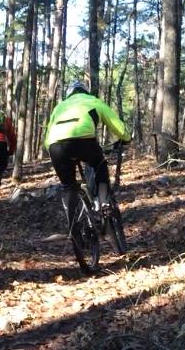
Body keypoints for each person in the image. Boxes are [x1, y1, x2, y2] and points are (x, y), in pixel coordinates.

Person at [43, 80, 132, 240]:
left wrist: (52, 151)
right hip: (83, 141)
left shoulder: (59, 107)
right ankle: (104, 202)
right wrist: (126, 137)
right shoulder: (94, 101)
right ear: (85, 91)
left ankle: (73, 228)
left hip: (56, 146)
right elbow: (116, 125)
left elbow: (47, 138)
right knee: (100, 164)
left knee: (68, 186)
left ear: (69, 94)